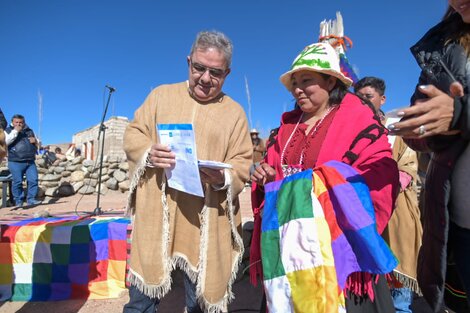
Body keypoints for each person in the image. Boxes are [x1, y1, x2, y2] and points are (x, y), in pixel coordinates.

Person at [249, 42, 399, 312]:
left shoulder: (358, 120)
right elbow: (273, 169)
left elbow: (382, 171)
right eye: (294, 83)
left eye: (307, 81)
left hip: (339, 244)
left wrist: (327, 182)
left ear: (331, 82)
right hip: (292, 246)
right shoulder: (285, 129)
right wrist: (266, 175)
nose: (297, 89)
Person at [122, 30, 252, 313]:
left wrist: (223, 177)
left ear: (227, 73)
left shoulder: (234, 113)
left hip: (203, 221)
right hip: (159, 213)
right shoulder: (160, 95)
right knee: (140, 301)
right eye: (199, 68)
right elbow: (134, 133)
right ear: (188, 61)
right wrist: (148, 151)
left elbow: (243, 160)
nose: (206, 78)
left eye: (215, 72)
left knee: (200, 302)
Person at [388, 3, 470, 311]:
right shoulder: (444, 46)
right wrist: (421, 127)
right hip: (455, 224)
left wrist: (460, 113)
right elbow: (424, 111)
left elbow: (457, 114)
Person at [355, 76, 422, 312]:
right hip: (359, 213)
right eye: (358, 96)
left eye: (368, 96)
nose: (362, 101)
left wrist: (387, 185)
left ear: (382, 99)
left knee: (397, 276)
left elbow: (408, 167)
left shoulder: (397, 131)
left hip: (394, 211)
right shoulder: (350, 131)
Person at [4, 114, 40, 207]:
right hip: (15, 161)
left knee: (33, 180)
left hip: (30, 160)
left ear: (24, 122)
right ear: (12, 122)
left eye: (21, 122)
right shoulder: (7, 131)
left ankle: (31, 199)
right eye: (17, 122)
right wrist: (15, 131)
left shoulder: (29, 131)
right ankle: (18, 201)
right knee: (17, 182)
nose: (19, 124)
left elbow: (39, 144)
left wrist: (35, 141)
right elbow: (6, 142)